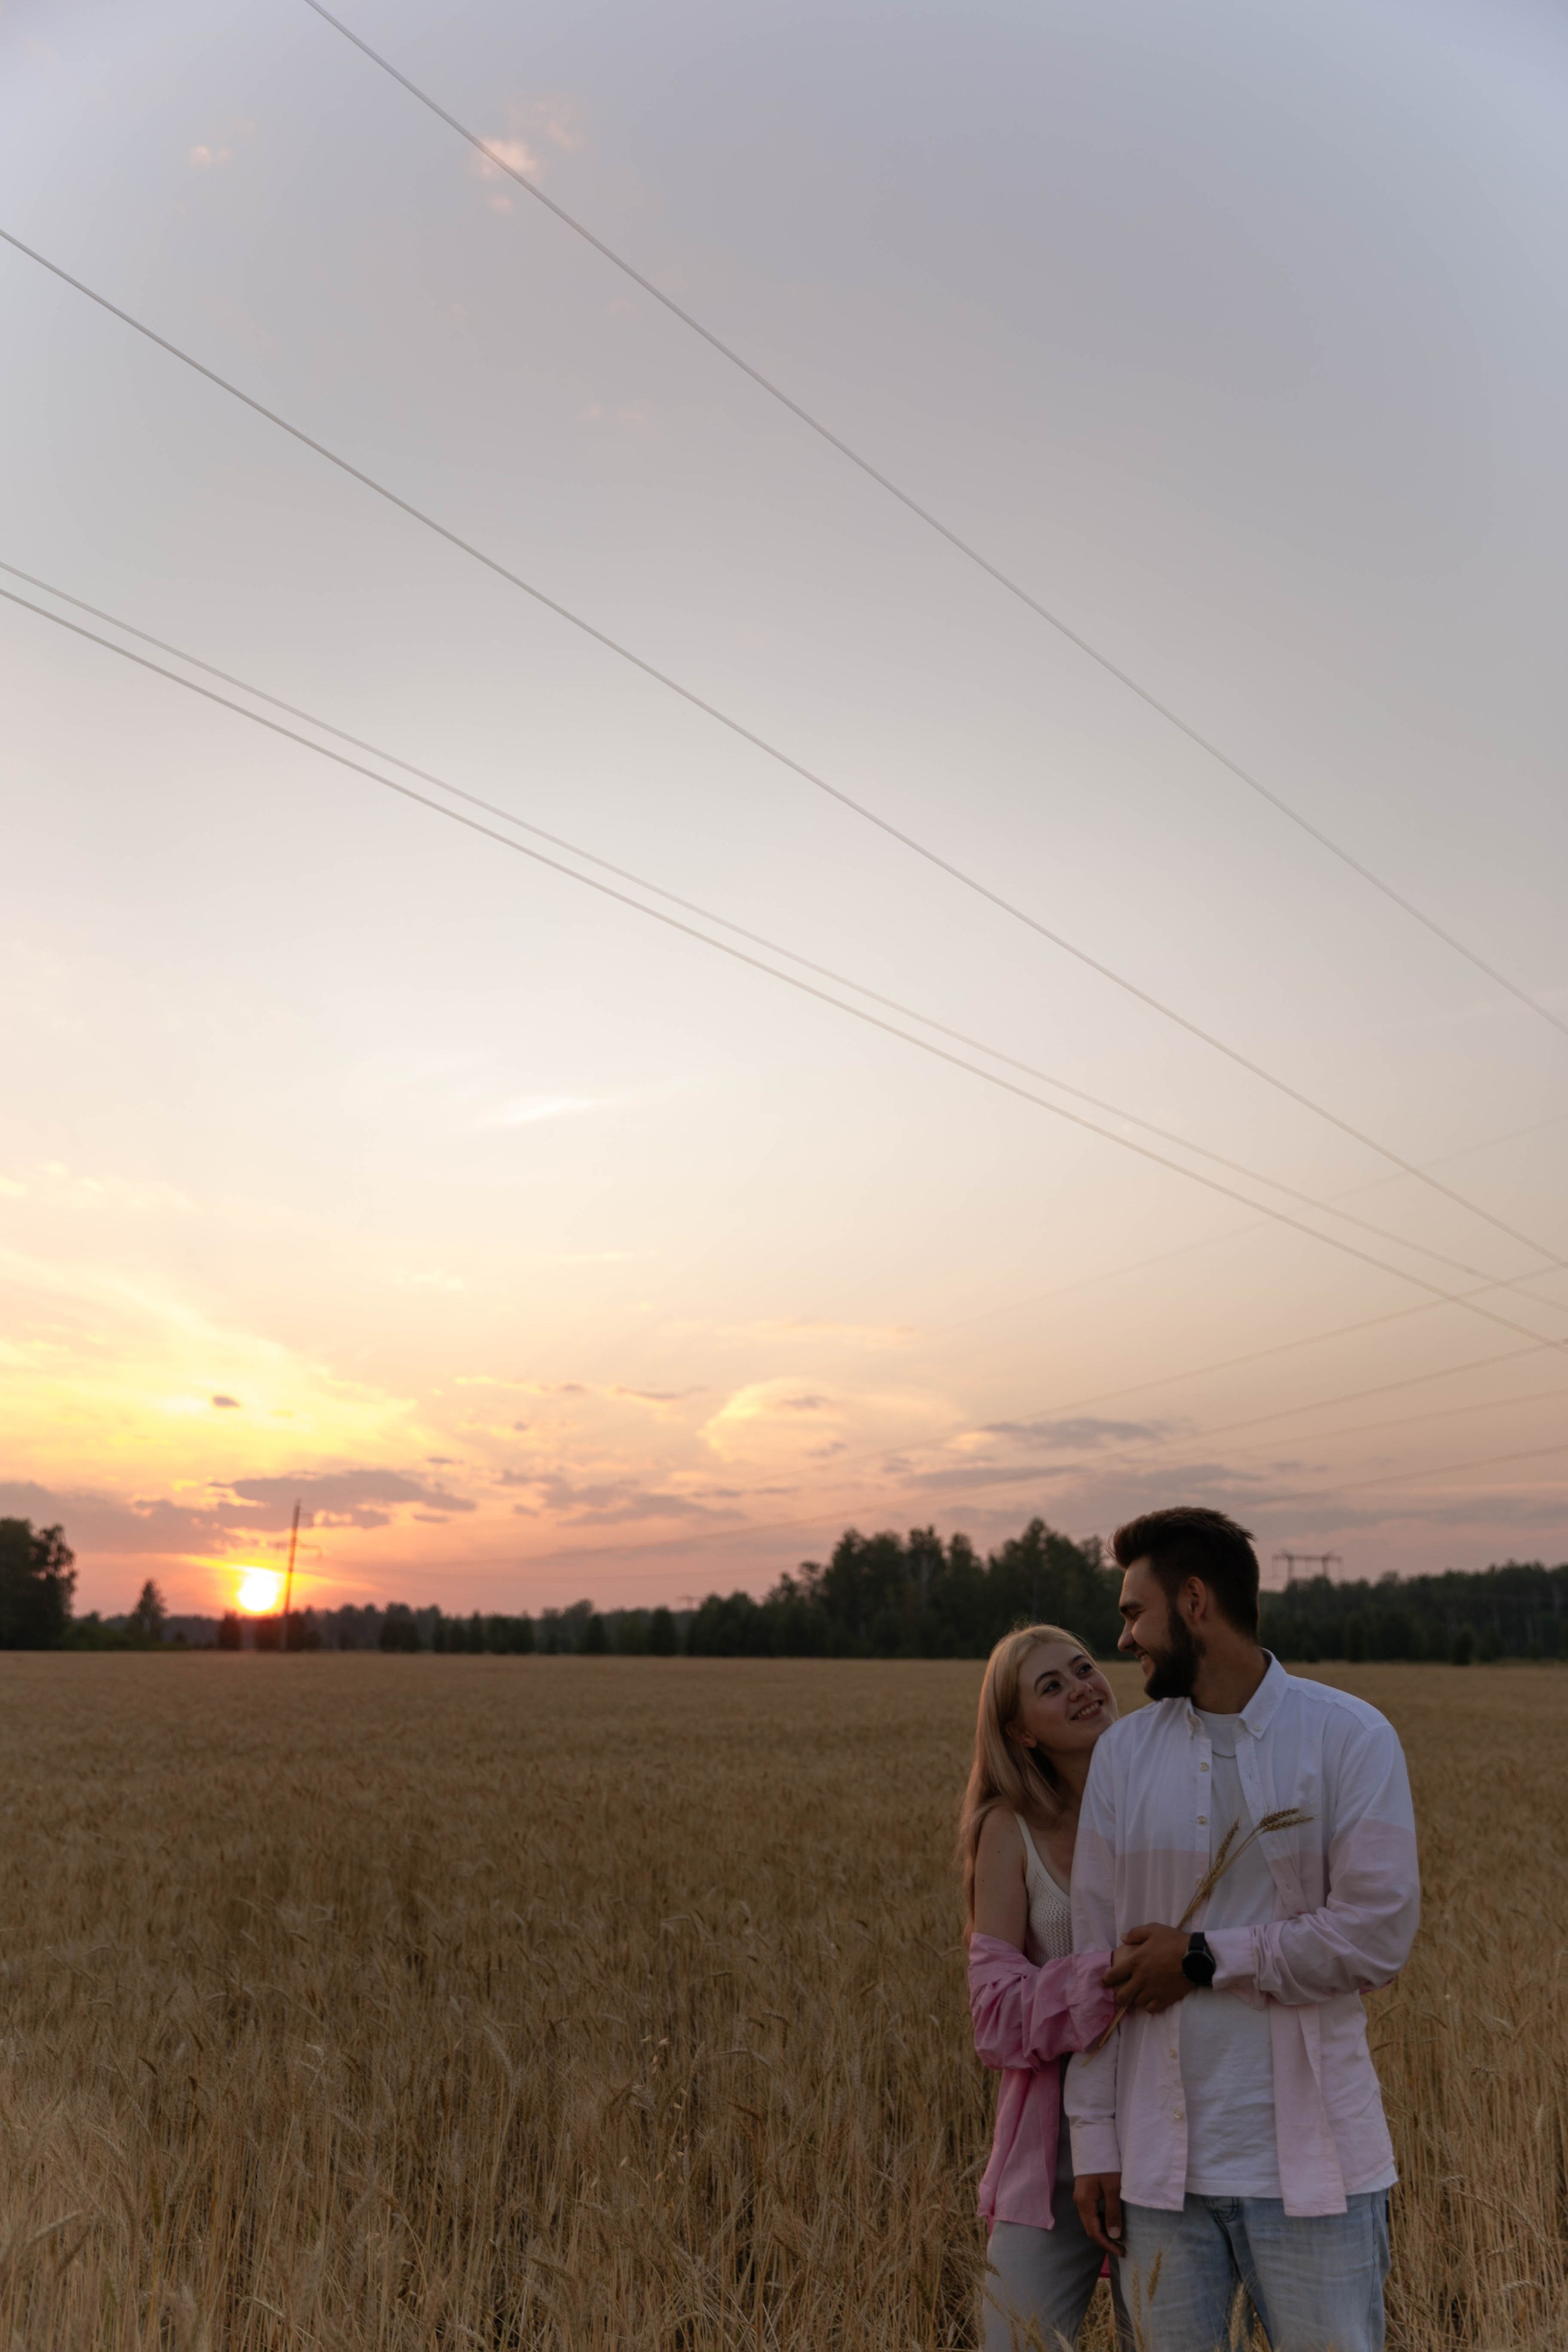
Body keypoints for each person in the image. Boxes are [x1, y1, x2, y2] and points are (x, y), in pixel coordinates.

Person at [1066, 1507, 1420, 2352]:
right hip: (1156, 2175)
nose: (1123, 1639)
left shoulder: (1350, 1737)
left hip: (1317, 2165)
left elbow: (1375, 1935)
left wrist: (1200, 1958)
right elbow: (1094, 1964)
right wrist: (1094, 2140)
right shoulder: (1123, 1756)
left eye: (1133, 1612)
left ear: (1194, 1602)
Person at [962, 1623, 1166, 2351]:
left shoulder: (1166, 1802)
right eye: (1051, 1686)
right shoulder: (1007, 1829)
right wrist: (1116, 1976)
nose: (1081, 1688)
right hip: (1049, 2149)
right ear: (1020, 1732)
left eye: (1083, 1669)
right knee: (1010, 2338)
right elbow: (993, 2015)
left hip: (1166, 2124)